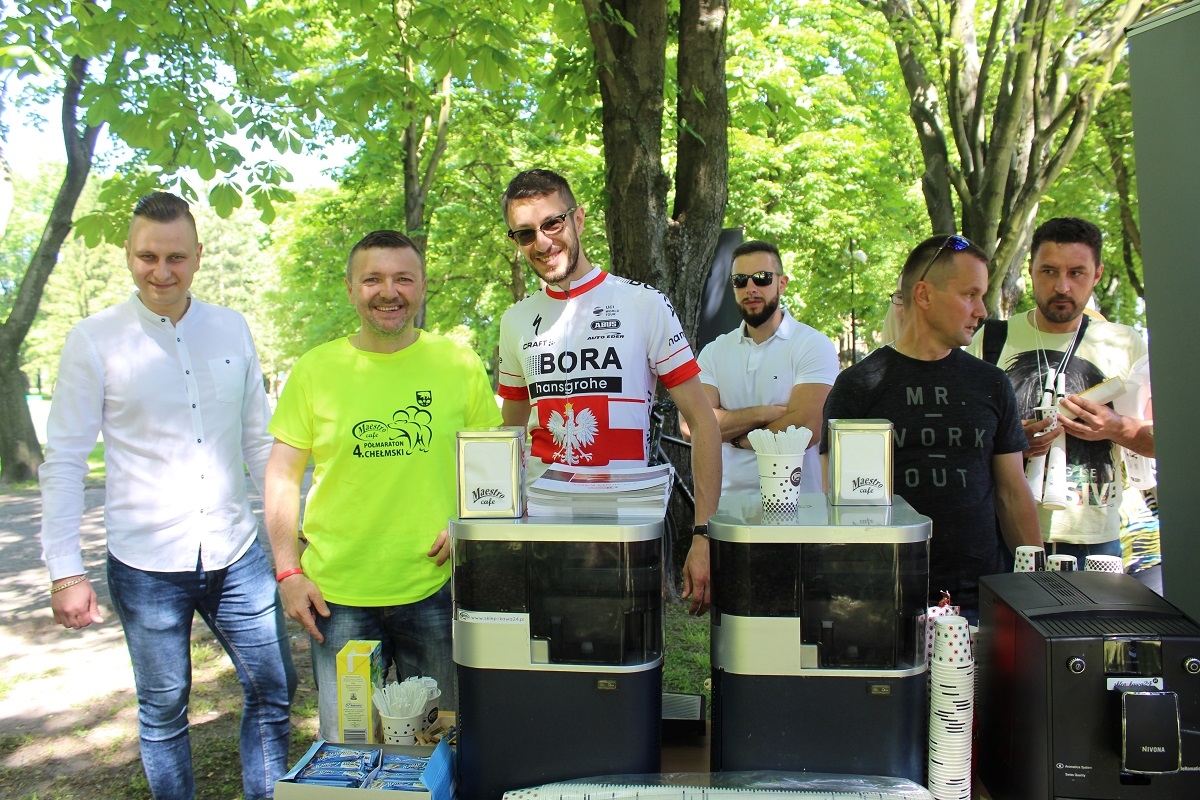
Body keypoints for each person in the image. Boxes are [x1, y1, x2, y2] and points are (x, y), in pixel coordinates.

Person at [39, 192, 295, 800]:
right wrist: (64, 572)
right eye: (147, 257)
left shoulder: (231, 327)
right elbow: (65, 460)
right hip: (145, 563)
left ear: (198, 255)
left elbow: (260, 443)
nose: (161, 271)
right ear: (128, 254)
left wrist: (292, 539)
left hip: (237, 553)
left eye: (175, 257)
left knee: (273, 689)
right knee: (163, 708)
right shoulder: (93, 339)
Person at [265, 230, 501, 740]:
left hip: (434, 589)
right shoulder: (315, 370)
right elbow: (282, 475)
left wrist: (471, 522)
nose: (388, 292)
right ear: (350, 288)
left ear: (422, 287)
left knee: (440, 742)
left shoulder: (458, 363)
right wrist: (288, 572)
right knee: (350, 748)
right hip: (337, 598)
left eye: (403, 279)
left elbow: (491, 462)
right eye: (372, 279)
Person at [495, 168, 722, 615]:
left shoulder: (644, 304)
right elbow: (510, 436)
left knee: (624, 659)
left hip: (625, 534)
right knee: (546, 653)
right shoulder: (515, 320)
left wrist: (704, 534)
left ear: (578, 219)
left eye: (552, 223)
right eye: (524, 234)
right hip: (542, 535)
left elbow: (702, 422)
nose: (541, 242)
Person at [820, 234, 1042, 621]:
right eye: (970, 295)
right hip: (887, 600)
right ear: (923, 294)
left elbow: (1012, 492)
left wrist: (1039, 586)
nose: (982, 310)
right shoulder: (859, 385)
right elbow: (840, 504)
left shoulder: (991, 383)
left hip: (981, 598)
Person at [967, 217, 1154, 566]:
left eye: (1076, 273)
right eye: (1049, 271)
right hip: (1004, 535)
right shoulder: (990, 340)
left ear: (1097, 275)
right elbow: (962, 442)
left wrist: (1116, 428)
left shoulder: (1125, 343)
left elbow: (1160, 443)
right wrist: (1009, 442)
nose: (1062, 286)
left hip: (1094, 542)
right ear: (1031, 270)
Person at [686, 240, 839, 495]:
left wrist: (734, 438)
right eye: (740, 280)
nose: (751, 288)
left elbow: (806, 428)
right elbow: (691, 426)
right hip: (727, 506)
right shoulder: (714, 352)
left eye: (762, 278)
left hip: (797, 505)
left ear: (782, 283)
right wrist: (766, 413)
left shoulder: (812, 345)